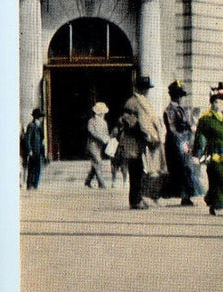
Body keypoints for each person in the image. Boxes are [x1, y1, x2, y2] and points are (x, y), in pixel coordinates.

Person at [192, 86, 223, 217]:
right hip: (213, 154)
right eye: (216, 102)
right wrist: (197, 154)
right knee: (219, 179)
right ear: (211, 104)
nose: (218, 105)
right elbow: (200, 137)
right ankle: (218, 204)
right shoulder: (206, 120)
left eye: (221, 102)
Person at [118, 76, 164, 210]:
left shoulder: (142, 101)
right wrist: (145, 132)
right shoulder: (132, 102)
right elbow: (128, 122)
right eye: (145, 88)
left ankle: (139, 198)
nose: (147, 91)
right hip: (132, 142)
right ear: (139, 88)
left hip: (140, 142)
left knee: (140, 171)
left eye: (147, 89)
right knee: (135, 171)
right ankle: (135, 201)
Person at [164, 80, 200, 206]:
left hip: (185, 141)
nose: (180, 98)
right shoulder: (169, 110)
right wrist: (182, 143)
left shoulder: (181, 109)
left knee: (187, 169)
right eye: (178, 95)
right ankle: (184, 196)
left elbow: (187, 123)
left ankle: (187, 196)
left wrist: (192, 127)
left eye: (180, 95)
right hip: (176, 143)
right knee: (183, 169)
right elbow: (172, 129)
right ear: (174, 95)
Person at [84, 102, 110, 189]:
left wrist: (107, 139)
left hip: (100, 146)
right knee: (98, 162)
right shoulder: (91, 121)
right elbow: (91, 132)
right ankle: (101, 184)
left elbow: (106, 133)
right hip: (92, 145)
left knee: (95, 164)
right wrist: (101, 138)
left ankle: (88, 181)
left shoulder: (104, 122)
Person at [22, 108, 46, 190]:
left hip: (39, 150)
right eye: (40, 117)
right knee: (32, 168)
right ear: (37, 117)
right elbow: (28, 139)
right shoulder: (31, 126)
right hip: (34, 150)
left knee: (38, 168)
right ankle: (30, 185)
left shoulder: (39, 126)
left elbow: (41, 138)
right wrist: (30, 150)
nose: (41, 119)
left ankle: (35, 184)